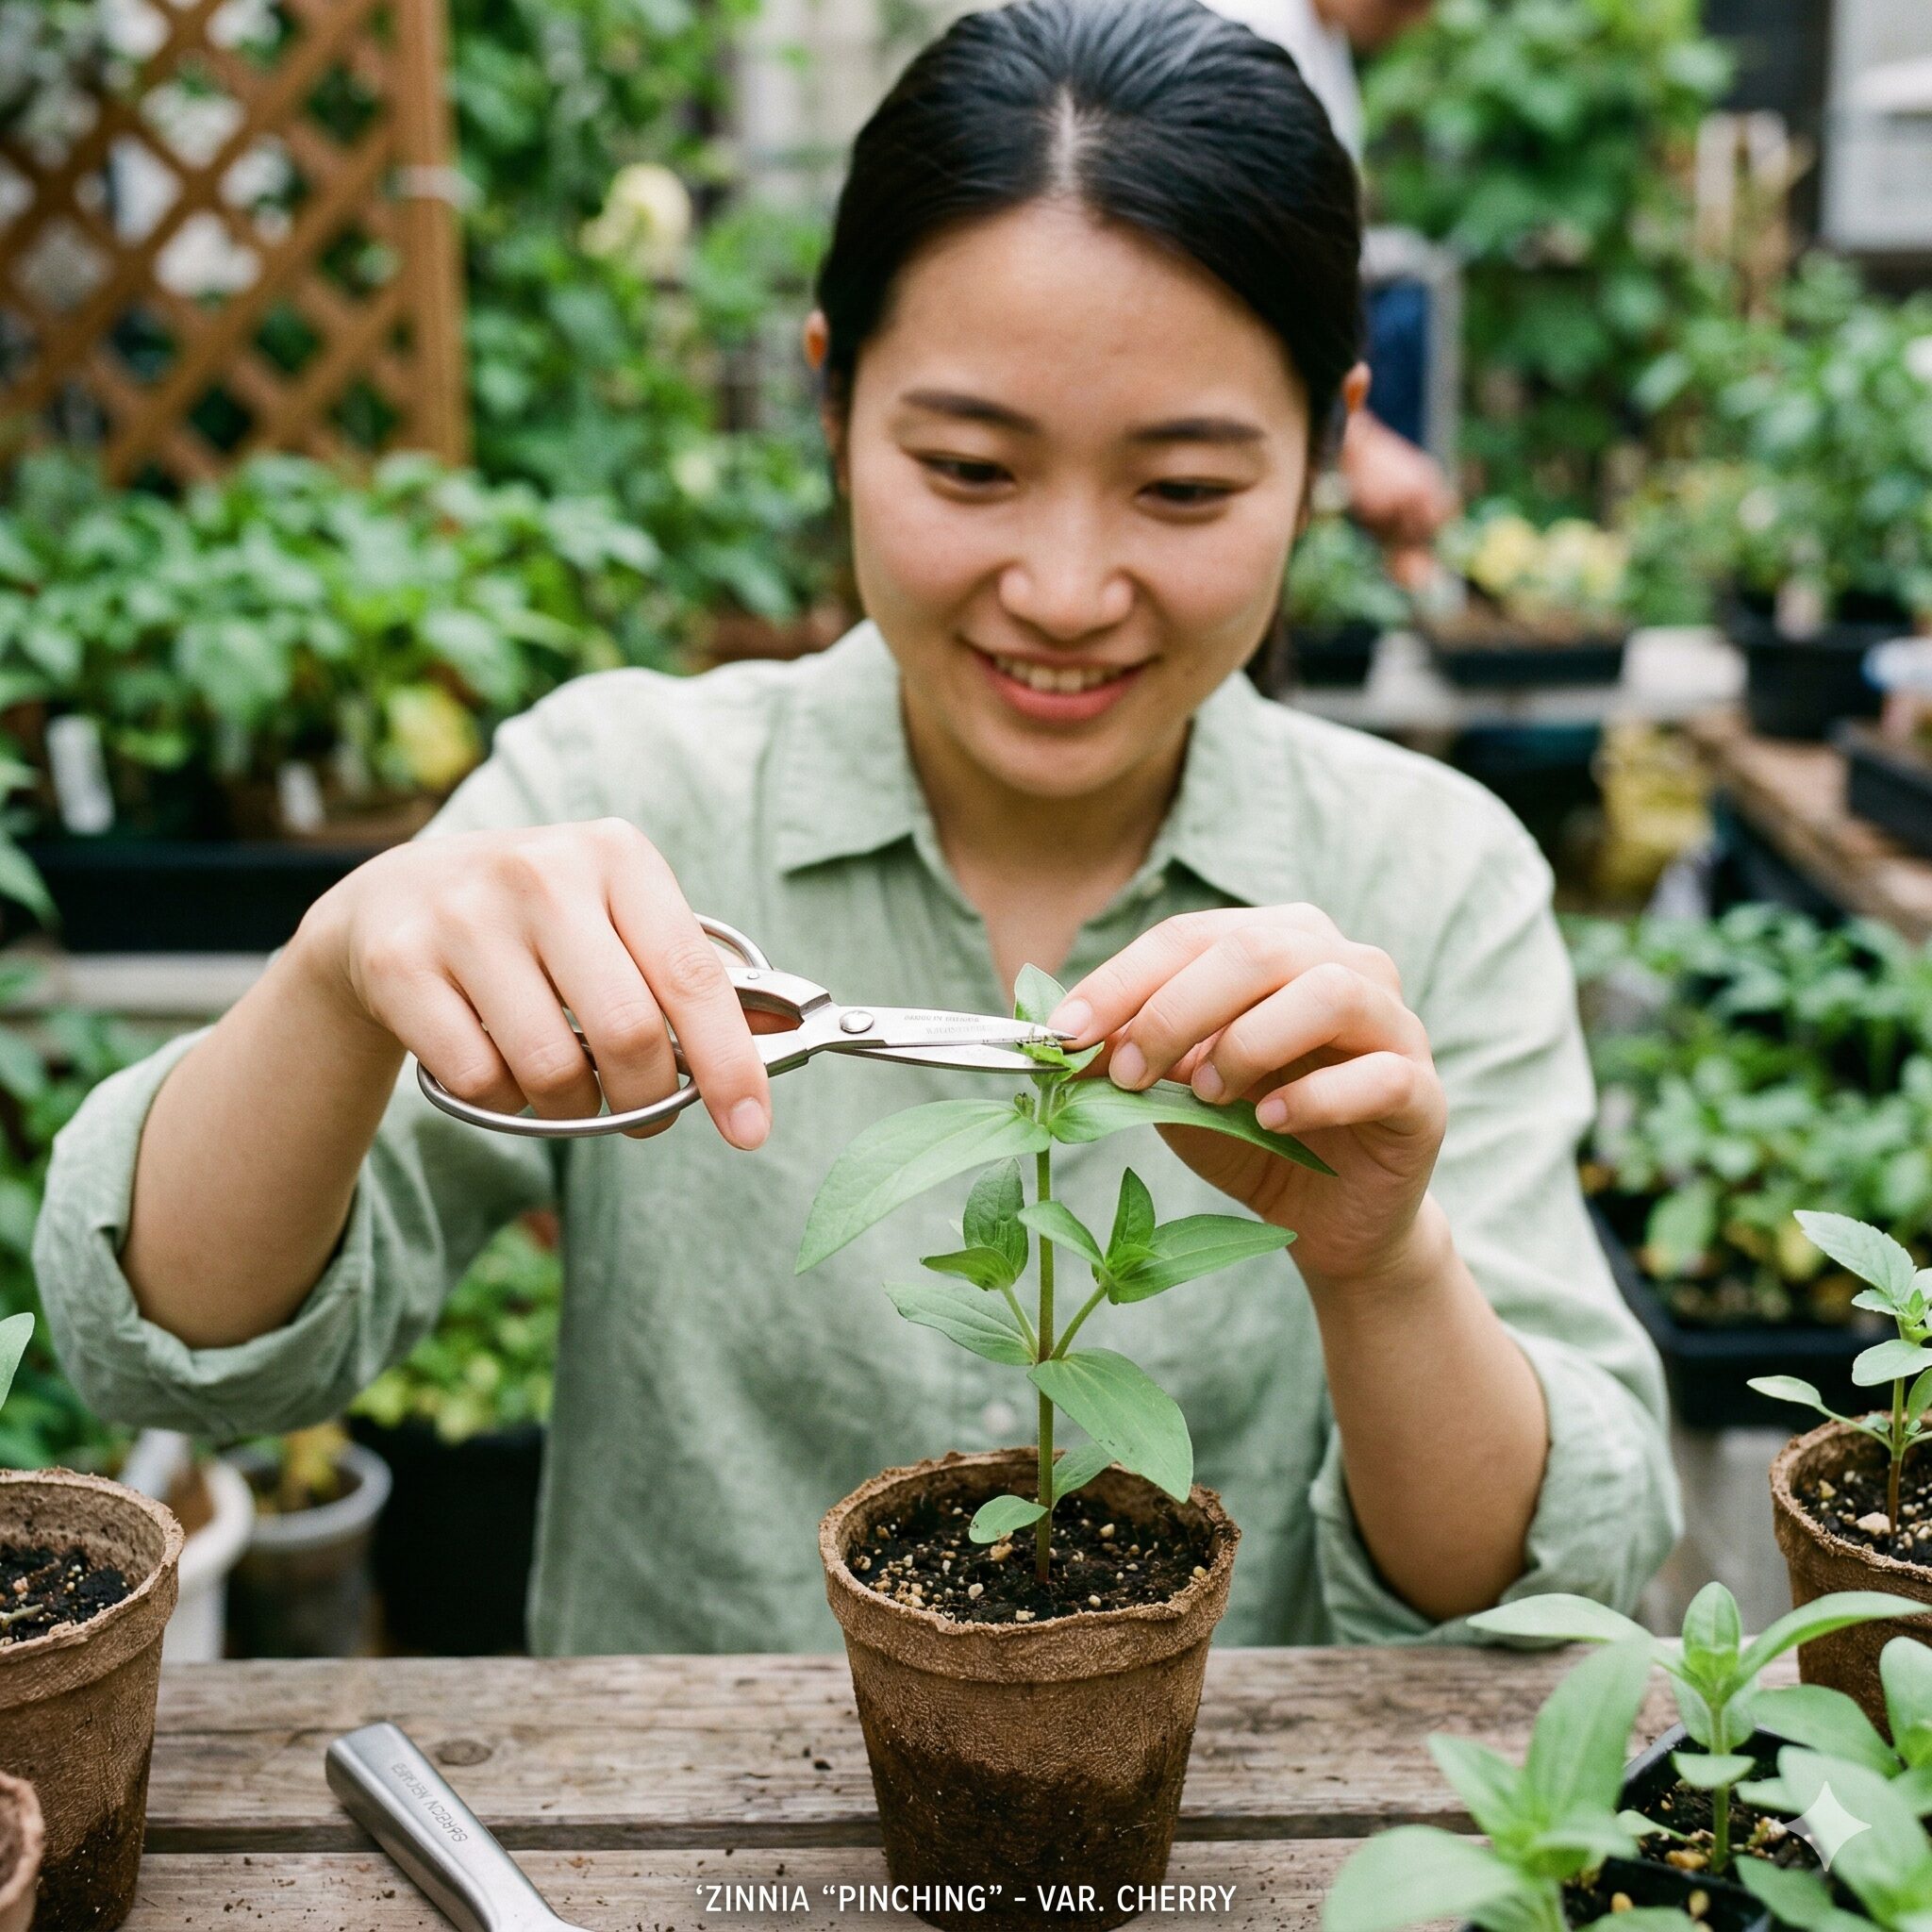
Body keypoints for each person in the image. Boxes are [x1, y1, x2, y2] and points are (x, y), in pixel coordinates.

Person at [33, 0, 1678, 1656]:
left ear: (1324, 450)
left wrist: (1380, 1264)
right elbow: (168, 1340)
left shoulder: (1429, 874)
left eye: (1181, 490)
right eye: (967, 466)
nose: (1061, 587)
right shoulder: (626, 796)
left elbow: (1539, 1587)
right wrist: (335, 972)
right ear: (830, 402)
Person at [1205, 0, 1457, 573]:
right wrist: (1358, 444)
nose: (1421, 17)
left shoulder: (1324, 43)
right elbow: (1239, 266)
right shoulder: (1255, 34)